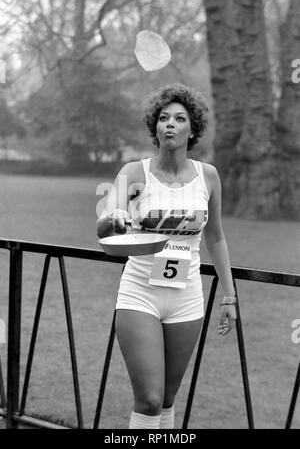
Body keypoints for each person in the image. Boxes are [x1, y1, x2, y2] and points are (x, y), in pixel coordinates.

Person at [96, 83, 237, 429]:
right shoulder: (134, 174)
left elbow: (216, 238)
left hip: (187, 298)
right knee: (149, 399)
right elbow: (105, 226)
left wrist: (229, 297)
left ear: (193, 130)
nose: (169, 124)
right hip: (140, 293)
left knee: (168, 401)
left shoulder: (209, 177)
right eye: (163, 118)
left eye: (179, 118)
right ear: (155, 128)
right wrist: (113, 218)